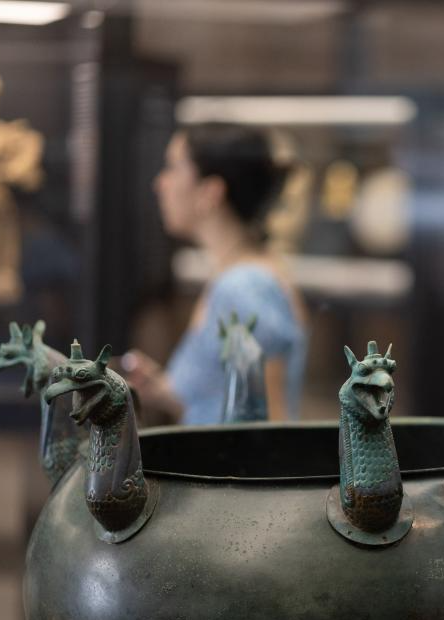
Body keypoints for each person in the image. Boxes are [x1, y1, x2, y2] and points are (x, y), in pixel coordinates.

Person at [123, 124, 307, 424]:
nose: (160, 183)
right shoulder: (233, 277)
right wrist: (163, 389)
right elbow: (215, 400)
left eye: (173, 168)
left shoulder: (245, 287)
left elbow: (271, 423)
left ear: (211, 191)